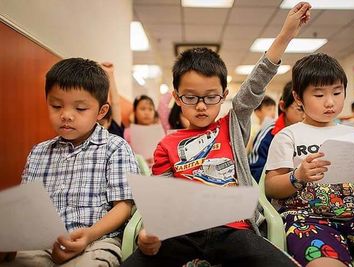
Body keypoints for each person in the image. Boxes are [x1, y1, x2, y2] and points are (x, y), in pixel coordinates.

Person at [121, 2, 312, 266]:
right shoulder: (166, 144)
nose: (201, 105)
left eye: (211, 97)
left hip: (232, 229)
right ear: (177, 97)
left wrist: (285, 35)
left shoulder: (233, 126)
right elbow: (161, 203)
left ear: (224, 96)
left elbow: (256, 83)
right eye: (190, 97)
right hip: (181, 232)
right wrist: (147, 236)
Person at [264, 53, 354, 267]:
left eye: (337, 93)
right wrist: (297, 176)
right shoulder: (288, 136)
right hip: (307, 219)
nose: (330, 102)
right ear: (298, 98)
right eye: (319, 95)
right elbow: (271, 187)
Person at [0, 58, 138, 266]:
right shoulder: (39, 152)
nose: (66, 115)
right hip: (42, 244)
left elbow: (124, 207)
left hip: (97, 241)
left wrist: (89, 235)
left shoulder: (115, 148)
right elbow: (26, 209)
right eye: (56, 106)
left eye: (80, 109)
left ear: (101, 112)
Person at [249, 81, 304, 182]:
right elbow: (254, 171)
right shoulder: (269, 133)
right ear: (283, 106)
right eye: (300, 109)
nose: (306, 115)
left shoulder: (308, 130)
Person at [98, 62, 125, 137]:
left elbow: (115, 103)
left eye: (101, 124)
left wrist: (110, 74)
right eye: (95, 124)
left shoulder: (114, 131)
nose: (97, 128)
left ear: (109, 121)